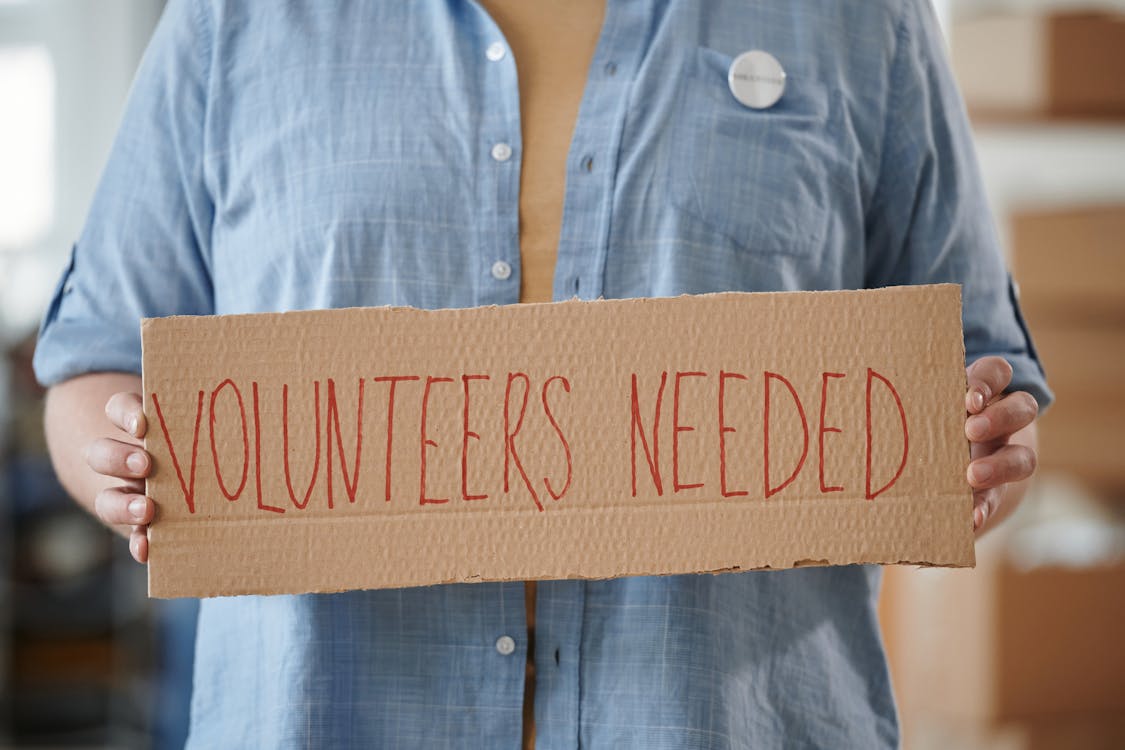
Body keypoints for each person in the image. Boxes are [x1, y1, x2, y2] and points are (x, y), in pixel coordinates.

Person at [34, 1, 1050, 747]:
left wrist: (980, 451)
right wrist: (119, 457)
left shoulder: (857, 20)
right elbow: (93, 360)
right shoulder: (233, 21)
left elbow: (971, 370)